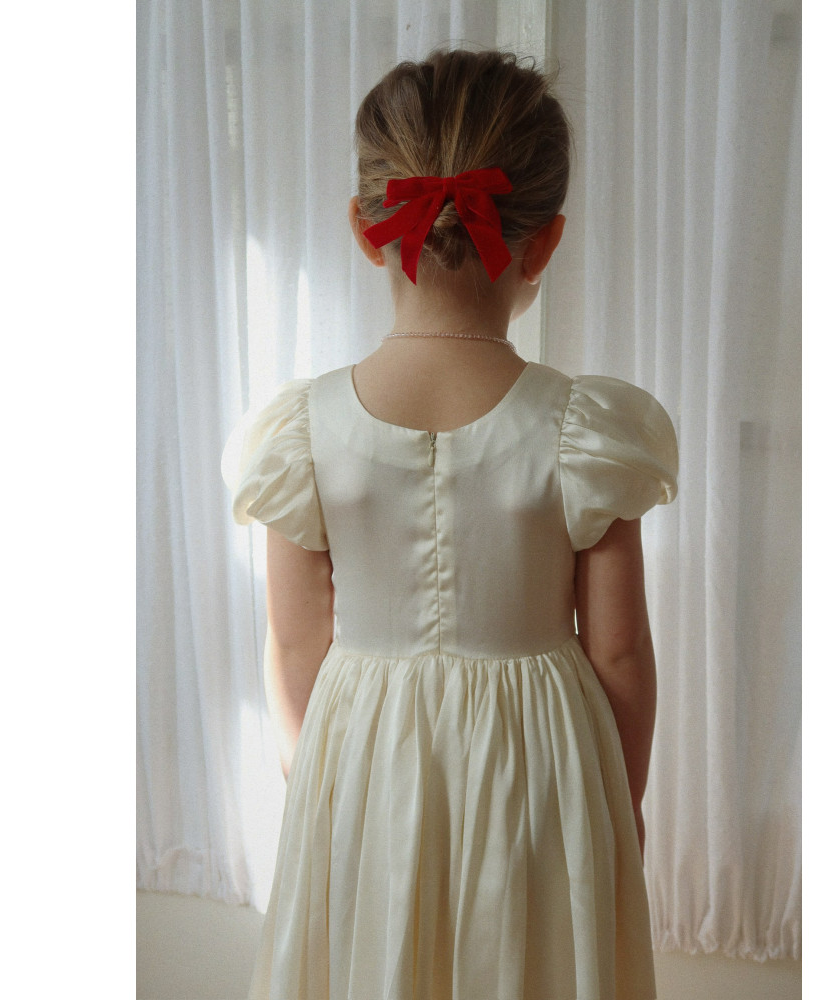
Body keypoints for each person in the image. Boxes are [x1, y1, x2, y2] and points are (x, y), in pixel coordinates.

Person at [226, 48, 677, 1000]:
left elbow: (295, 645)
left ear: (367, 229)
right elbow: (619, 651)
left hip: (364, 756)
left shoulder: (301, 431)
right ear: (544, 243)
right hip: (541, 767)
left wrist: (323, 789)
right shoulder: (584, 430)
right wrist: (620, 803)